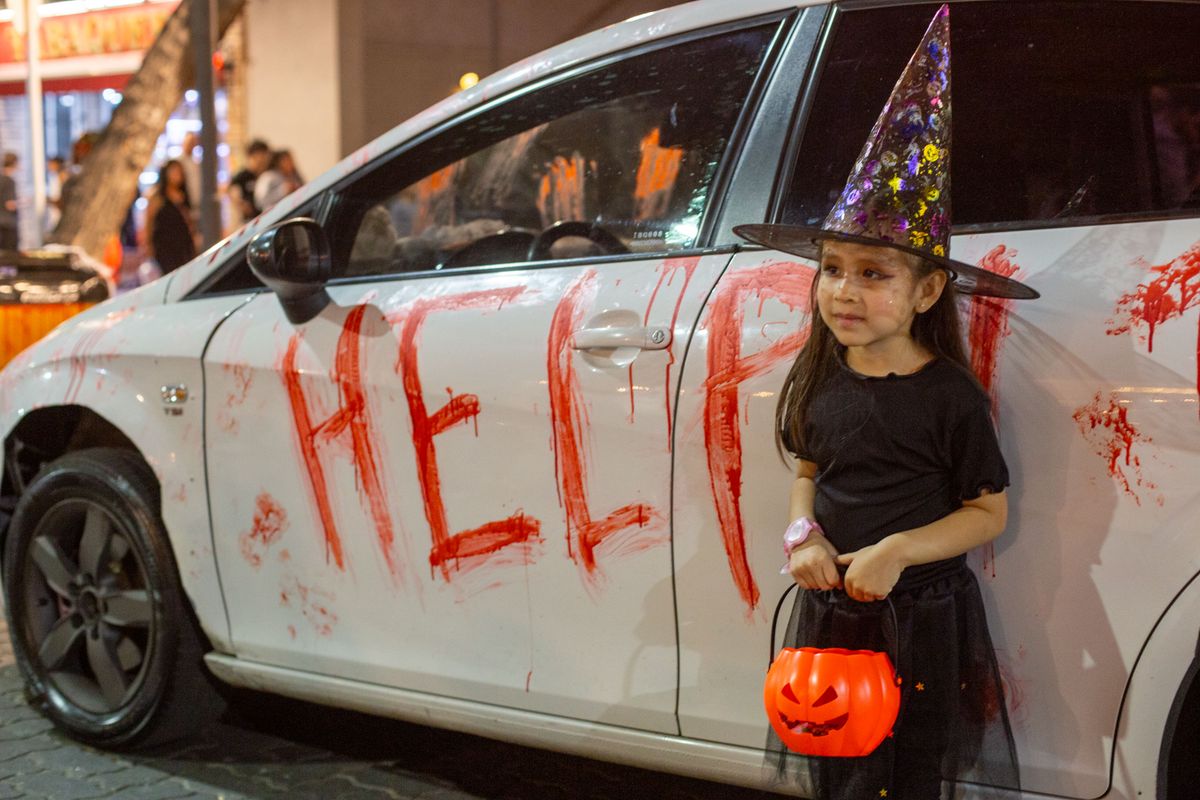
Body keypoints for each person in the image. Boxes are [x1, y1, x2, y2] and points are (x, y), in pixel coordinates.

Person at [736, 6, 1035, 798]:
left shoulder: (949, 398)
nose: (844, 290)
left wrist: (899, 549)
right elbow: (808, 471)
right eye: (833, 269)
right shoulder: (821, 377)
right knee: (840, 767)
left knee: (910, 771)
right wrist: (802, 534)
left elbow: (987, 513)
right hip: (835, 610)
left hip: (921, 618)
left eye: (873, 274)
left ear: (927, 291)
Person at [144, 160, 196, 274]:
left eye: (179, 172)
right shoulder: (157, 197)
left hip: (182, 243)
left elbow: (188, 221)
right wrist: (148, 245)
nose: (177, 175)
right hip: (164, 246)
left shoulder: (182, 196)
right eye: (173, 171)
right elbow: (148, 222)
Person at [229, 138, 270, 223]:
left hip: (266, 217)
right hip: (250, 221)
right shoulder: (242, 176)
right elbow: (232, 191)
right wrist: (242, 205)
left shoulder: (267, 174)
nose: (263, 159)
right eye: (261, 155)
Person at [0, 152, 19, 251]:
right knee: (10, 254)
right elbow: (10, 205)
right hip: (8, 223)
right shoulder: (9, 181)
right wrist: (23, 203)